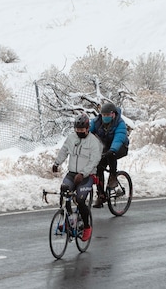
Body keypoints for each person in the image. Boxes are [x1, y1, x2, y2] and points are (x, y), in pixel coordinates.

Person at [51, 114, 101, 242]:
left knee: (79, 199)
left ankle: (87, 227)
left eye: (82, 130)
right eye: (77, 130)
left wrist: (83, 174)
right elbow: (64, 151)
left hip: (86, 176)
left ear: (87, 128)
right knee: (64, 192)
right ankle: (71, 220)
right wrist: (57, 163)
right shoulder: (71, 138)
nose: (79, 132)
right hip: (72, 173)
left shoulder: (93, 142)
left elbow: (94, 161)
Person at [91, 102, 130, 208]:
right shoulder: (96, 122)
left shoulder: (119, 123)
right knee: (99, 167)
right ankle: (101, 195)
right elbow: (88, 133)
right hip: (106, 146)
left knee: (111, 155)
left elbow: (119, 138)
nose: (105, 117)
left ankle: (113, 176)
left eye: (108, 115)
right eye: (104, 115)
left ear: (113, 114)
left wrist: (112, 149)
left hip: (120, 146)